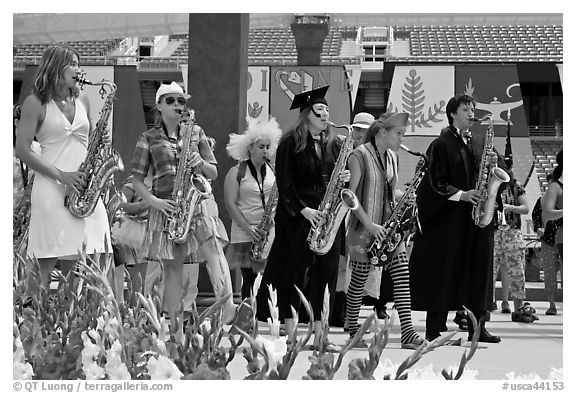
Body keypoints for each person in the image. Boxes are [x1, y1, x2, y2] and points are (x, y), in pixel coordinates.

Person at [130, 82, 236, 333]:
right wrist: (155, 202)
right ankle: (176, 330)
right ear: (159, 105)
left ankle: (228, 304)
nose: (178, 105)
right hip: (165, 205)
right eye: (171, 101)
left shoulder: (196, 132)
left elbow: (213, 172)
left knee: (212, 245)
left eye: (181, 101)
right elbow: (137, 179)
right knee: (172, 267)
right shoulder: (148, 137)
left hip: (197, 201)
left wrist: (198, 160)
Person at [255, 86, 350, 351]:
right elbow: (284, 184)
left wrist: (343, 179)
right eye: (320, 111)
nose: (326, 115)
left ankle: (321, 335)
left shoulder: (334, 143)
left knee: (326, 275)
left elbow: (334, 180)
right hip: (299, 219)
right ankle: (292, 334)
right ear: (307, 113)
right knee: (293, 275)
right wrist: (303, 210)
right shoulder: (290, 142)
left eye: (327, 111)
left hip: (326, 219)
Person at [15, 45, 112, 288]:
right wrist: (63, 176)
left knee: (86, 255)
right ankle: (34, 320)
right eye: (73, 64)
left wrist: (101, 148)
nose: (79, 70)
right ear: (56, 67)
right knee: (45, 260)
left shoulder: (83, 98)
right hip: (51, 187)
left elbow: (90, 138)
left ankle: (75, 320)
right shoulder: (35, 102)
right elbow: (23, 150)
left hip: (84, 188)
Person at [409, 94, 503, 343]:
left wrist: (495, 162)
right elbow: (431, 184)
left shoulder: (480, 141)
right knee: (444, 270)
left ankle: (478, 328)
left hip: (477, 219)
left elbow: (498, 173)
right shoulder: (440, 145)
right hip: (448, 221)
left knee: (479, 271)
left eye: (473, 108)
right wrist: (461, 195)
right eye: (465, 109)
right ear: (452, 114)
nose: (471, 113)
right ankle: (434, 328)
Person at [344, 112, 426, 349]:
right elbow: (350, 196)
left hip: (389, 229)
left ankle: (408, 332)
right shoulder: (358, 155)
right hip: (364, 227)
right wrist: (370, 224)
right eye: (398, 133)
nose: (402, 139)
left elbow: (391, 190)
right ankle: (352, 331)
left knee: (401, 275)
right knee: (359, 280)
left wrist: (405, 197)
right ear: (382, 132)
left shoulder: (392, 157)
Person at [223, 116, 282, 300]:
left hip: (268, 232)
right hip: (245, 232)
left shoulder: (272, 171)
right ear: (250, 148)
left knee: (270, 280)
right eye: (261, 147)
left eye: (268, 147)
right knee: (250, 279)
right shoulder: (236, 172)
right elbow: (230, 205)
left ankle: (267, 318)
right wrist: (249, 228)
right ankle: (248, 319)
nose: (266, 151)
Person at [492, 166, 537, 323]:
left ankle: (519, 309)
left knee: (517, 273)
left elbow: (525, 208)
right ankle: (485, 308)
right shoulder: (488, 186)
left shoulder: (517, 186)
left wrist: (511, 208)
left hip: (512, 233)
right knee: (488, 272)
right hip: (493, 233)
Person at [541, 149, 563, 315]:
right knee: (550, 271)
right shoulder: (554, 187)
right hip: (552, 236)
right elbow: (546, 213)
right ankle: (552, 303)